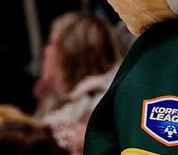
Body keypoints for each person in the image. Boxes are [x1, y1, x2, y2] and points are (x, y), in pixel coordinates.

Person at [34, 11, 120, 143]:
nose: (45, 50)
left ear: (70, 53)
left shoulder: (98, 106)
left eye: (51, 43)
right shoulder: (60, 102)